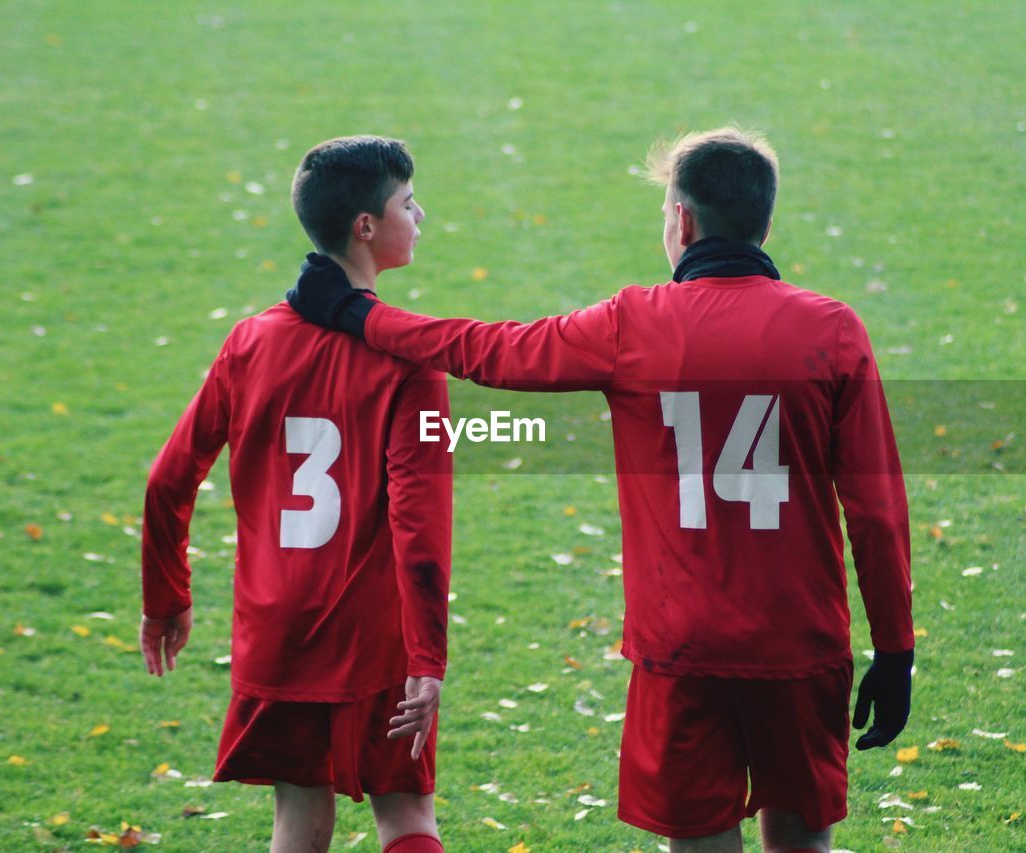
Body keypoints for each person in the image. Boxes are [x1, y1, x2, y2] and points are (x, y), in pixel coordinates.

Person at [287, 127, 914, 853]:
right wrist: (895, 648)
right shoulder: (834, 330)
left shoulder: (633, 323)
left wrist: (358, 313)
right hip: (801, 647)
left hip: (681, 650)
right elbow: (877, 511)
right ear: (764, 221)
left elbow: (490, 351)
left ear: (681, 220)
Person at [141, 135, 452, 853]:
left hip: (277, 631)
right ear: (366, 227)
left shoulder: (250, 342)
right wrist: (427, 656)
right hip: (375, 634)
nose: (421, 214)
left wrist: (167, 597)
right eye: (409, 203)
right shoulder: (408, 356)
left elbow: (167, 480)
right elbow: (420, 524)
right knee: (405, 813)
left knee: (298, 818)